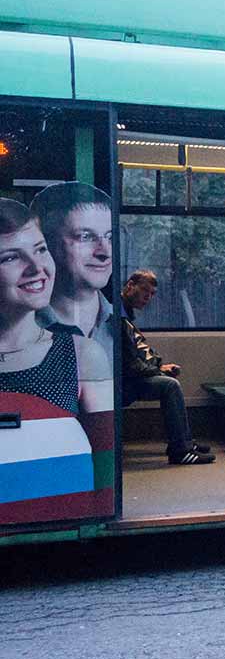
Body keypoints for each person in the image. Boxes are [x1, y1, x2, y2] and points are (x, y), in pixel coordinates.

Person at [0, 199, 111, 420]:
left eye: (41, 250)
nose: (36, 267)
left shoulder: (83, 355)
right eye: (11, 257)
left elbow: (103, 452)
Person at [120, 270, 213, 464]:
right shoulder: (118, 319)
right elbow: (131, 366)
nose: (148, 297)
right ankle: (181, 450)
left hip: (126, 378)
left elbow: (138, 352)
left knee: (168, 380)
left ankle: (184, 441)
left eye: (152, 294)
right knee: (169, 386)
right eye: (145, 290)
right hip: (121, 384)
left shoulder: (124, 315)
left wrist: (160, 365)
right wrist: (159, 370)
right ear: (130, 286)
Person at [31, 183, 115, 359]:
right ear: (44, 244)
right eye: (85, 237)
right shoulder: (16, 328)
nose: (105, 253)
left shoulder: (123, 327)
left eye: (110, 237)